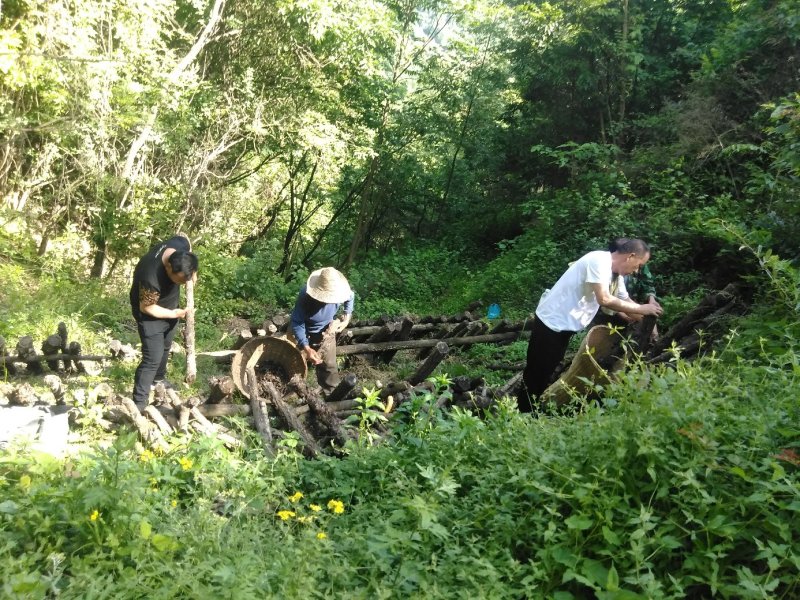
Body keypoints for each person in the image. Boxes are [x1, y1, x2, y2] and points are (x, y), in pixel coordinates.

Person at [519, 239, 663, 412]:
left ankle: (530, 408)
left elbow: (625, 302)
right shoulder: (599, 261)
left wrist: (648, 321)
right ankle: (525, 413)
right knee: (538, 370)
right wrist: (642, 308)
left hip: (565, 326)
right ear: (630, 256)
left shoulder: (615, 275)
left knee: (547, 367)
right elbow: (605, 299)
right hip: (551, 322)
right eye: (639, 265)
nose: (637, 270)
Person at [129, 236, 198, 404]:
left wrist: (191, 276)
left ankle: (158, 380)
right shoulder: (150, 275)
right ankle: (139, 402)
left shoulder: (179, 246)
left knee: (166, 346)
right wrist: (173, 314)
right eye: (182, 280)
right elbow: (147, 307)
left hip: (170, 307)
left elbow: (186, 241)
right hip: (149, 316)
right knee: (152, 358)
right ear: (168, 268)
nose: (184, 283)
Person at [290, 267, 354, 395]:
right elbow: (297, 322)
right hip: (303, 331)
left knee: (329, 366)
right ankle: (290, 392)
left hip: (326, 331)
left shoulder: (341, 291)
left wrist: (347, 316)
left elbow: (350, 296)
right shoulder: (306, 295)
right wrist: (306, 348)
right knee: (291, 362)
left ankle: (332, 396)